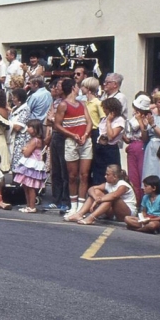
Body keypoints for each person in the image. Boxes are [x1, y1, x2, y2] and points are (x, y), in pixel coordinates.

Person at [54, 77, 92, 216]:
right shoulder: (63, 105)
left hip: (84, 141)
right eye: (76, 86)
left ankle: (81, 206)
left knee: (84, 174)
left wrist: (85, 135)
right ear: (73, 88)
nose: (78, 88)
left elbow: (89, 122)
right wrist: (72, 135)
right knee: (72, 175)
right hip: (71, 141)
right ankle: (73, 206)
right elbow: (57, 125)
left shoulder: (82, 104)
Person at [66, 164, 137, 225]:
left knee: (111, 198)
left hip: (127, 214)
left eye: (107, 174)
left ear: (115, 176)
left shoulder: (123, 185)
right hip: (113, 213)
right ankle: (79, 214)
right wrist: (95, 197)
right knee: (96, 191)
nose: (105, 176)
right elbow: (91, 189)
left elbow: (114, 195)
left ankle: (91, 217)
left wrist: (98, 200)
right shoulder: (108, 184)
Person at [45, 78, 70, 212]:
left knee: (64, 169)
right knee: (55, 170)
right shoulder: (55, 102)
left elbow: (59, 121)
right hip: (55, 135)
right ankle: (56, 198)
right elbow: (48, 121)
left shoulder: (69, 103)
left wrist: (53, 119)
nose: (56, 88)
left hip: (64, 137)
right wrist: (53, 120)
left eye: (59, 86)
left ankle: (66, 200)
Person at [13, 119, 46, 213]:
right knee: (25, 185)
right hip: (30, 163)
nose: (27, 129)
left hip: (32, 164)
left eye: (29, 127)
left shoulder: (35, 141)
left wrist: (24, 149)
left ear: (35, 129)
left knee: (30, 186)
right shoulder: (34, 140)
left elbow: (27, 153)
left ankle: (31, 206)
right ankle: (28, 205)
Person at [92, 97, 125, 186]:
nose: (104, 110)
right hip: (100, 148)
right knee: (99, 174)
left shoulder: (119, 120)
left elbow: (111, 136)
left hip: (110, 150)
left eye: (105, 108)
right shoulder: (103, 119)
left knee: (111, 173)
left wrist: (109, 122)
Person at [125, 94, 150, 204]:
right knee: (132, 176)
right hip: (133, 144)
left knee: (142, 175)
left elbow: (144, 136)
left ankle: (143, 202)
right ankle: (135, 201)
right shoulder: (132, 117)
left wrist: (140, 121)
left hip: (142, 146)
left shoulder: (146, 119)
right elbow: (128, 137)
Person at [8, 88, 31, 175]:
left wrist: (7, 124)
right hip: (13, 139)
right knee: (13, 162)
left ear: (20, 99)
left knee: (19, 164)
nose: (12, 99)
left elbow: (18, 127)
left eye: (14, 97)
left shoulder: (25, 109)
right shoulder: (14, 108)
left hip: (21, 140)